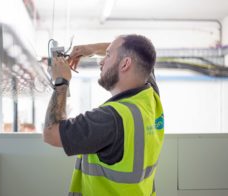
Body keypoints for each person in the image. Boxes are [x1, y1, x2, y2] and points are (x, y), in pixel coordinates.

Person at [43, 34, 164, 196]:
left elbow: (51, 133)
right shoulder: (150, 97)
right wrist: (90, 49)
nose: (100, 61)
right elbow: (139, 51)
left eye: (107, 56)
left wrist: (61, 81)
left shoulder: (110, 119)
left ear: (125, 63)